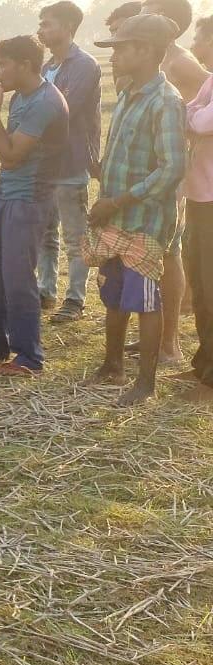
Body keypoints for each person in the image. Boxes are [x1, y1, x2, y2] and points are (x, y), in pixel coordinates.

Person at [87, 14, 187, 405]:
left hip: (145, 221)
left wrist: (118, 200)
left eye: (121, 49)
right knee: (113, 294)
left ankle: (146, 381)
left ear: (145, 51)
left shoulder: (166, 101)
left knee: (144, 301)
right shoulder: (130, 93)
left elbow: (172, 167)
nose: (113, 57)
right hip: (115, 217)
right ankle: (113, 365)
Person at [0, 35, 70, 379]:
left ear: (25, 64)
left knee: (17, 280)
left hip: (28, 201)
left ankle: (29, 357)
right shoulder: (22, 98)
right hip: (6, 197)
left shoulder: (45, 102)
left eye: (3, 64)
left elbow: (10, 156)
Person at [141, 0, 208, 367]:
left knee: (170, 250)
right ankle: (153, 337)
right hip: (151, 165)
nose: (140, 10)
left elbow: (201, 100)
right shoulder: (157, 56)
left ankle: (170, 345)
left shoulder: (180, 61)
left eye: (149, 7)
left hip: (174, 166)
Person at [37, 1, 103, 322]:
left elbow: (64, 109)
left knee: (76, 236)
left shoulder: (84, 65)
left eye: (47, 24)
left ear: (66, 27)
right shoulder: (46, 65)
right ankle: (45, 291)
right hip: (44, 163)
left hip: (71, 160)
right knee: (45, 232)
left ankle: (75, 300)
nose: (41, 30)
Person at [183, 16, 213, 403]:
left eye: (201, 37)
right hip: (200, 193)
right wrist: (194, 115)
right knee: (202, 283)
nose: (195, 43)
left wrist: (193, 116)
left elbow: (202, 120)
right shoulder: (209, 80)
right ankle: (205, 361)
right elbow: (190, 110)